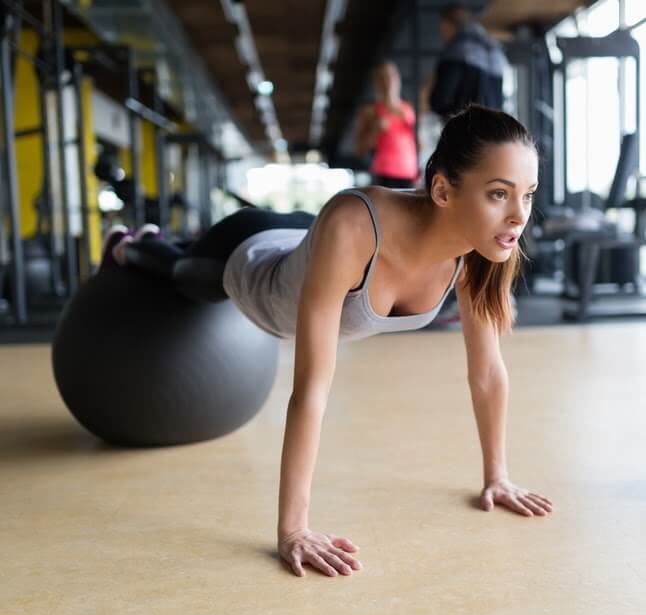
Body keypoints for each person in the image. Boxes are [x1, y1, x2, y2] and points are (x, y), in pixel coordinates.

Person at [101, 105, 554, 579]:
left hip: (305, 237)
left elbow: (487, 372)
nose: (519, 215)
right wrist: (292, 531)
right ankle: (130, 246)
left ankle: (149, 243)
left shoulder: (483, 247)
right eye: (499, 194)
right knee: (182, 274)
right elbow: (311, 390)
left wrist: (497, 477)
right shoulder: (357, 228)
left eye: (528, 194)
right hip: (250, 258)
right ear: (442, 189)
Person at [353, 61, 418, 189]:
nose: (388, 81)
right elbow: (358, 149)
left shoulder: (409, 109)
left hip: (410, 173)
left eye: (391, 76)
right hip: (384, 174)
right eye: (382, 78)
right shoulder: (370, 112)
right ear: (376, 83)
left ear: (398, 78)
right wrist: (375, 130)